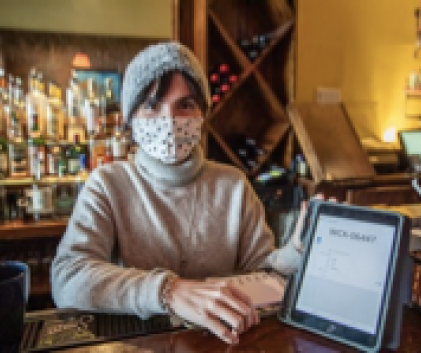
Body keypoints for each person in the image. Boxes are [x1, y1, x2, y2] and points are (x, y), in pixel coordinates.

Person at [51, 42, 305, 345]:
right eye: (151, 105)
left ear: (203, 113)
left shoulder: (234, 186)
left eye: (184, 105)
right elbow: (68, 279)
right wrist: (167, 291)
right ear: (130, 118)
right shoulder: (107, 184)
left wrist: (297, 252)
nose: (168, 120)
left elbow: (261, 275)